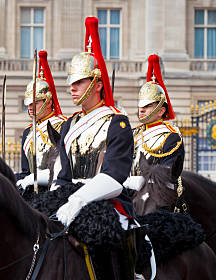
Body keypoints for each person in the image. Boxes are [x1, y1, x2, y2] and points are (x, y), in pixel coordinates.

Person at [53, 17, 145, 278]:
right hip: (70, 196)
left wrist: (78, 200)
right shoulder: (69, 124)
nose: (72, 87)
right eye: (71, 82)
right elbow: (62, 173)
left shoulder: (118, 122)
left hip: (106, 200)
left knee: (109, 240)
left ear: (97, 84)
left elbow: (115, 177)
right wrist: (58, 197)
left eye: (79, 82)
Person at [123, 54, 184, 191]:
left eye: (148, 106)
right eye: (141, 105)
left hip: (156, 195)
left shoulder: (171, 137)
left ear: (161, 110)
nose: (142, 110)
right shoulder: (133, 134)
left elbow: (167, 175)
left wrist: (134, 182)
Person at [16, 50, 67, 190]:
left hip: (53, 187)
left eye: (35, 103)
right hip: (30, 188)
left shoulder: (62, 126)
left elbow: (64, 167)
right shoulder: (28, 132)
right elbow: (26, 170)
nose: (30, 107)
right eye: (29, 104)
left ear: (48, 101)